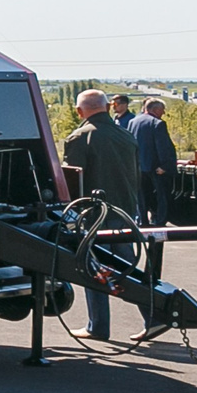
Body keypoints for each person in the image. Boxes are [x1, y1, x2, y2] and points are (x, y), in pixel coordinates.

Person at [59, 88, 144, 340]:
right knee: (128, 269)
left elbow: (73, 183)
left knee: (91, 268)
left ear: (79, 111)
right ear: (107, 107)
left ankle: (98, 326)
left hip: (95, 216)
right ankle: (153, 316)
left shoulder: (79, 137)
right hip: (125, 211)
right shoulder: (125, 136)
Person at [130, 99, 178, 226]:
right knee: (162, 196)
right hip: (155, 168)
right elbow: (163, 146)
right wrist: (165, 166)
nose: (163, 113)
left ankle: (142, 221)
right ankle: (160, 221)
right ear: (156, 110)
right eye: (162, 110)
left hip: (139, 166)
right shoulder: (157, 123)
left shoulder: (133, 122)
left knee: (142, 197)